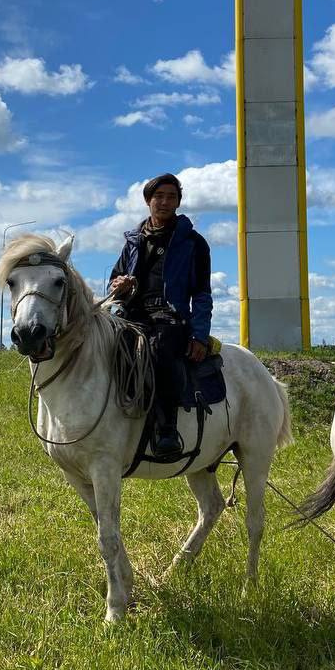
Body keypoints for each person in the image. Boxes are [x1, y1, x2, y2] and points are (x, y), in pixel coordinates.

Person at [107, 173, 213, 462]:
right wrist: (119, 287)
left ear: (178, 202)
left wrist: (199, 335)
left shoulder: (193, 243)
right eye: (159, 196)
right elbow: (113, 282)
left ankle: (167, 428)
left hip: (170, 316)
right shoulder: (132, 241)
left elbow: (202, 294)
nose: (164, 202)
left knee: (159, 350)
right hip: (130, 313)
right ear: (147, 201)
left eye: (171, 197)